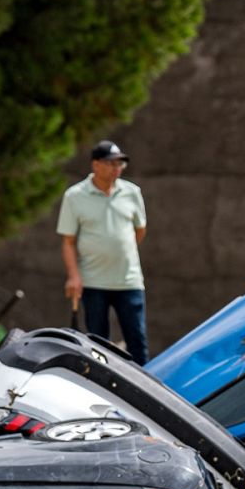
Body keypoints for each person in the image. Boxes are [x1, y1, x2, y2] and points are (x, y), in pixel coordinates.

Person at [57, 140, 149, 363]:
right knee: (98, 344)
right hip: (93, 282)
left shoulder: (132, 192)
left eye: (120, 164)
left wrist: (118, 251)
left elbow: (139, 230)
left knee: (137, 340)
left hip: (129, 281)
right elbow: (68, 241)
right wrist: (74, 276)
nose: (117, 168)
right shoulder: (74, 195)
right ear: (95, 165)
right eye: (111, 163)